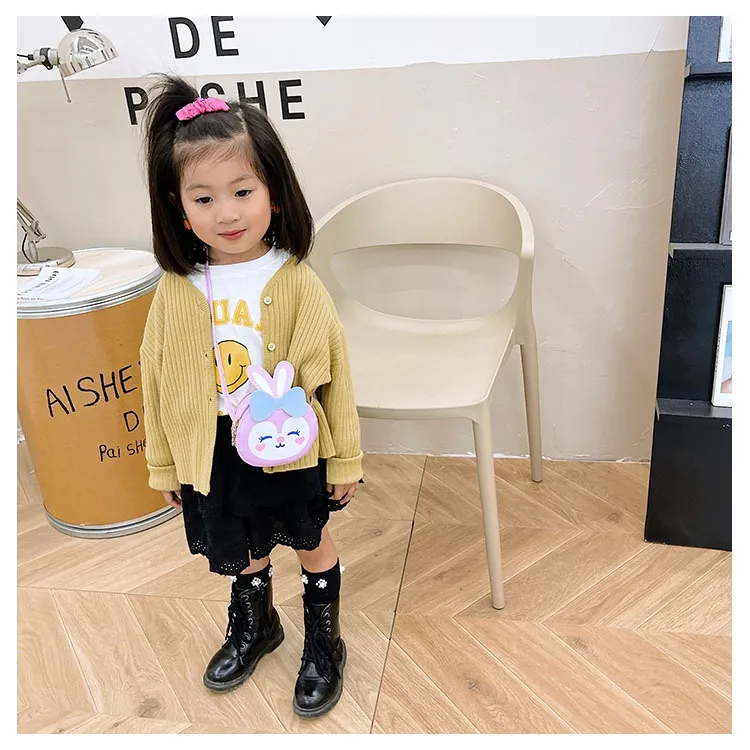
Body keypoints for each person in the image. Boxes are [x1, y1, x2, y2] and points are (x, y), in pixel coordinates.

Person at [139, 75, 362, 718]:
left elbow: (336, 374)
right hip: (213, 447)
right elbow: (157, 379)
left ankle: (324, 640)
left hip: (289, 444)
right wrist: (165, 464)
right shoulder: (177, 287)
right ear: (180, 208)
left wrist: (345, 458)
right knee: (240, 545)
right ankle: (256, 624)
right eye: (204, 198)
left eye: (243, 191)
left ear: (275, 194)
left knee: (310, 539)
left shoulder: (295, 280)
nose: (227, 213)